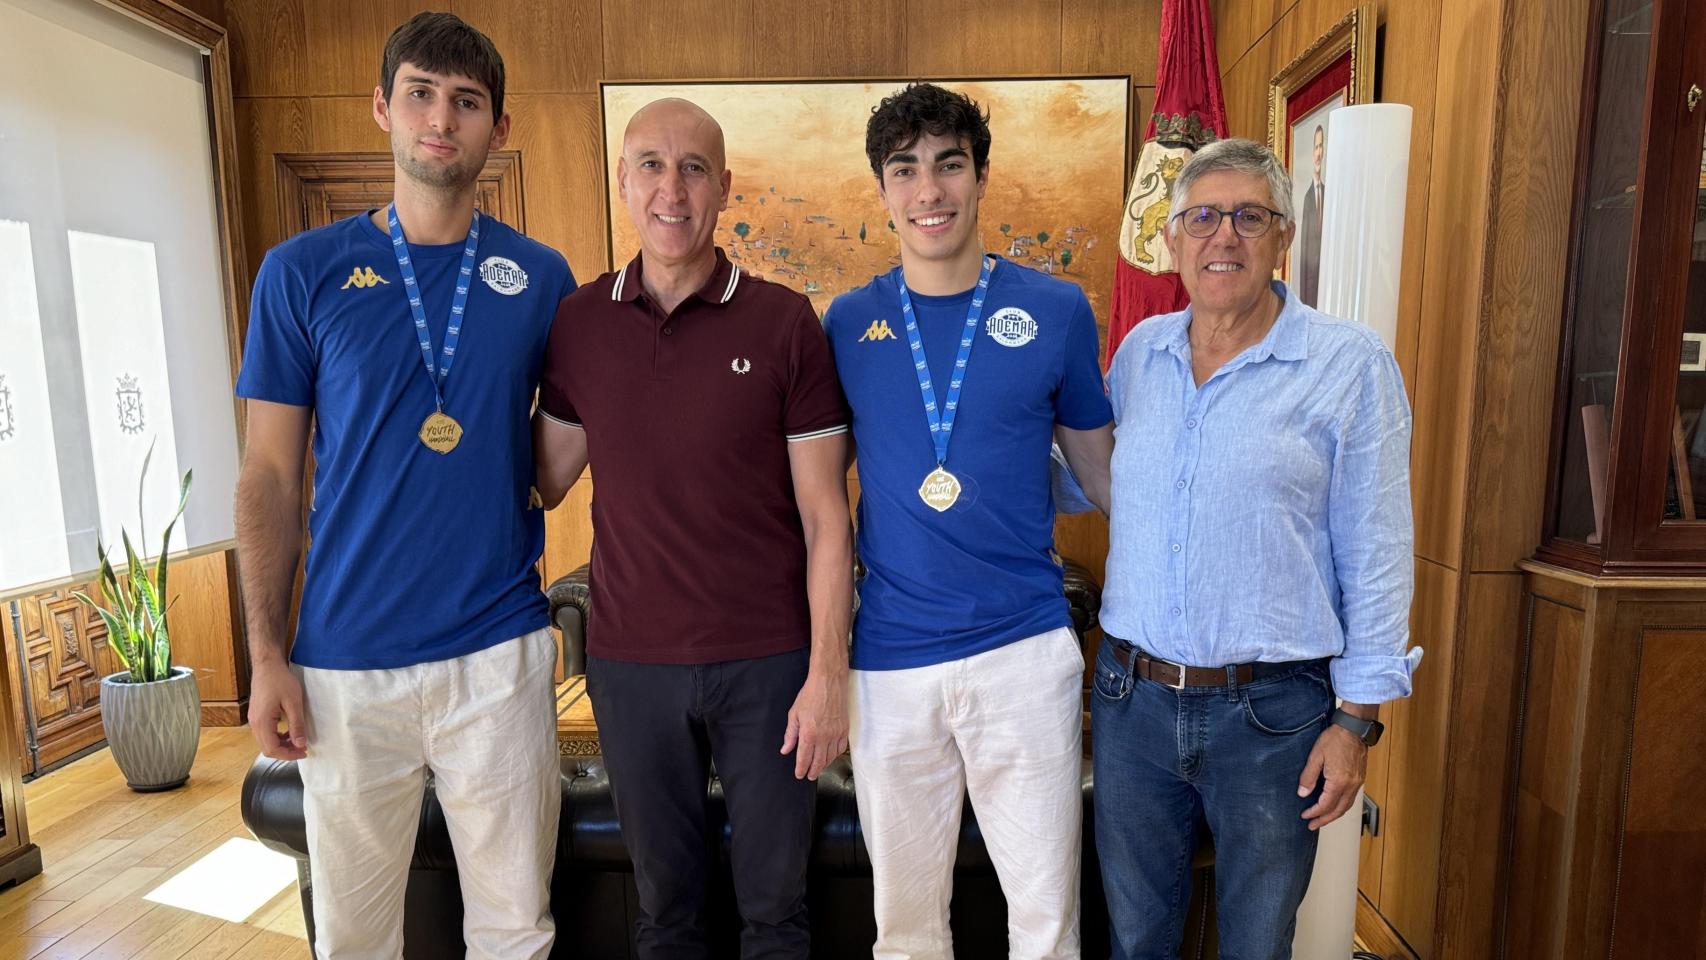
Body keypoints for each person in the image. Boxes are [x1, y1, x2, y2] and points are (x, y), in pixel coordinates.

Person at [233, 13, 575, 958]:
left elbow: (551, 470)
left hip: (496, 657)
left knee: (515, 932)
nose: (441, 119)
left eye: (466, 103)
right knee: (352, 940)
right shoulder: (300, 273)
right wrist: (268, 654)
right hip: (345, 666)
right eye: (421, 94)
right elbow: (267, 474)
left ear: (497, 129)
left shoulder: (542, 279)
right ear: (383, 107)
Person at [531, 97, 853, 959]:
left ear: (724, 188)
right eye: (651, 165)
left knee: (776, 916)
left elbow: (829, 519)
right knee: (664, 916)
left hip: (768, 666)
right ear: (623, 182)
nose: (672, 188)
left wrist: (829, 674)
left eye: (694, 167)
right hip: (632, 667)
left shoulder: (785, 321)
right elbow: (545, 478)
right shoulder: (579, 322)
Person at [1095, 137, 1421, 960]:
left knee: (1256, 944)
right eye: (1202, 217)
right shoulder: (1140, 355)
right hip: (1131, 702)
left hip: (1274, 717)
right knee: (1135, 941)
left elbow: (1379, 553)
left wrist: (1356, 722)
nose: (1223, 236)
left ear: (1284, 238)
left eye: (1249, 216)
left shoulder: (1348, 366)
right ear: (1171, 241)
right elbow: (1098, 482)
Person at [822, 82, 1113, 960]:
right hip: (892, 666)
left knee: (1047, 922)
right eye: (905, 170)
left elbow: (1106, 477)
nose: (929, 190)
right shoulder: (847, 322)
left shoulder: (1058, 311)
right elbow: (815, 502)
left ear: (981, 177)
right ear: (882, 190)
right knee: (905, 932)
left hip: (1024, 655)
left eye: (949, 164)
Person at [1297, 123, 1326, 306]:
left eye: (1321, 146)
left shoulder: (1329, 194)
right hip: (1311, 288)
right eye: (1316, 147)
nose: (1318, 152)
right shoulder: (1308, 198)